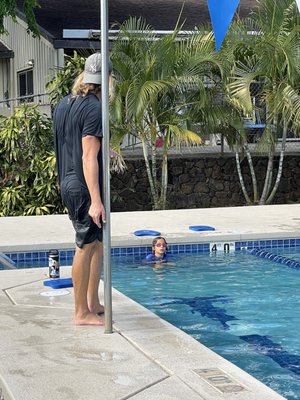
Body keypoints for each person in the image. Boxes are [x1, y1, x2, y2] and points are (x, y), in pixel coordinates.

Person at [53, 52, 113, 326]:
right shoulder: (94, 108)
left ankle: (93, 302)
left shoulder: (65, 104)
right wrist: (96, 201)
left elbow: (69, 144)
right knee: (85, 245)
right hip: (83, 186)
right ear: (107, 80)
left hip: (68, 181)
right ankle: (81, 312)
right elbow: (88, 157)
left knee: (96, 242)